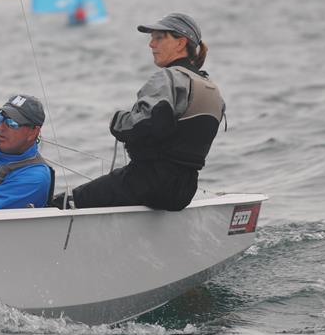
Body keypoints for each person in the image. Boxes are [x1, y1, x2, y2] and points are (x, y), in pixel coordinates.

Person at [53, 12, 225, 211]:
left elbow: (146, 125)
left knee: (64, 202)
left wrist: (117, 120)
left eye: (159, 38)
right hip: (183, 191)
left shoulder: (168, 78)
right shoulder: (212, 89)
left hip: (146, 183)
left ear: (180, 43)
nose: (151, 44)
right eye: (152, 38)